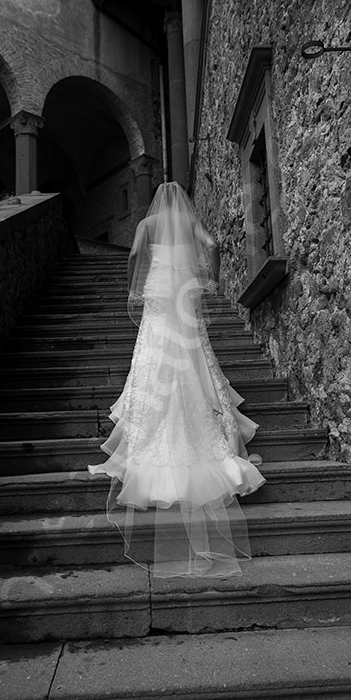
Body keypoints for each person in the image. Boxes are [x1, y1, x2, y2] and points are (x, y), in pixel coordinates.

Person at [88, 182, 265, 577]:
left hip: (158, 289)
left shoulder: (148, 223)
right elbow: (215, 245)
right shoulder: (189, 220)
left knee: (153, 348)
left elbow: (135, 256)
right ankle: (204, 413)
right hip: (185, 290)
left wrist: (133, 286)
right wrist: (212, 280)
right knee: (191, 349)